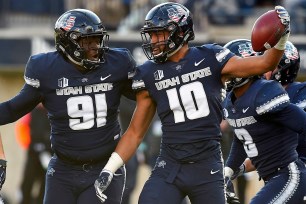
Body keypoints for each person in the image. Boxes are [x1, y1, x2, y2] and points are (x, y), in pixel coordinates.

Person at [94, 2, 290, 204]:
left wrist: (282, 37)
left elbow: (265, 63)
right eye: (151, 35)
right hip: (170, 164)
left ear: (179, 32)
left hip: (207, 166)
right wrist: (110, 168)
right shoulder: (148, 73)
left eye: (158, 34)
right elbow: (135, 132)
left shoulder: (212, 57)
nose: (152, 41)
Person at [0, 8, 136, 204]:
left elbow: (147, 96)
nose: (94, 47)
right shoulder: (46, 69)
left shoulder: (117, 63)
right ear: (66, 43)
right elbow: (13, 109)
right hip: (62, 170)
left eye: (96, 39)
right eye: (86, 41)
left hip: (104, 166)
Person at [222, 39, 306, 204]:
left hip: (293, 172)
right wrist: (231, 170)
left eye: (270, 64)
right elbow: (252, 142)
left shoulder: (284, 95)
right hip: (276, 175)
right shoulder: (244, 99)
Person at [15, 104, 52, 204]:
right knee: (28, 182)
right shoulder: (31, 112)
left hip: (49, 154)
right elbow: (22, 128)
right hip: (33, 154)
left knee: (46, 184)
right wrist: (31, 146)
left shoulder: (53, 112)